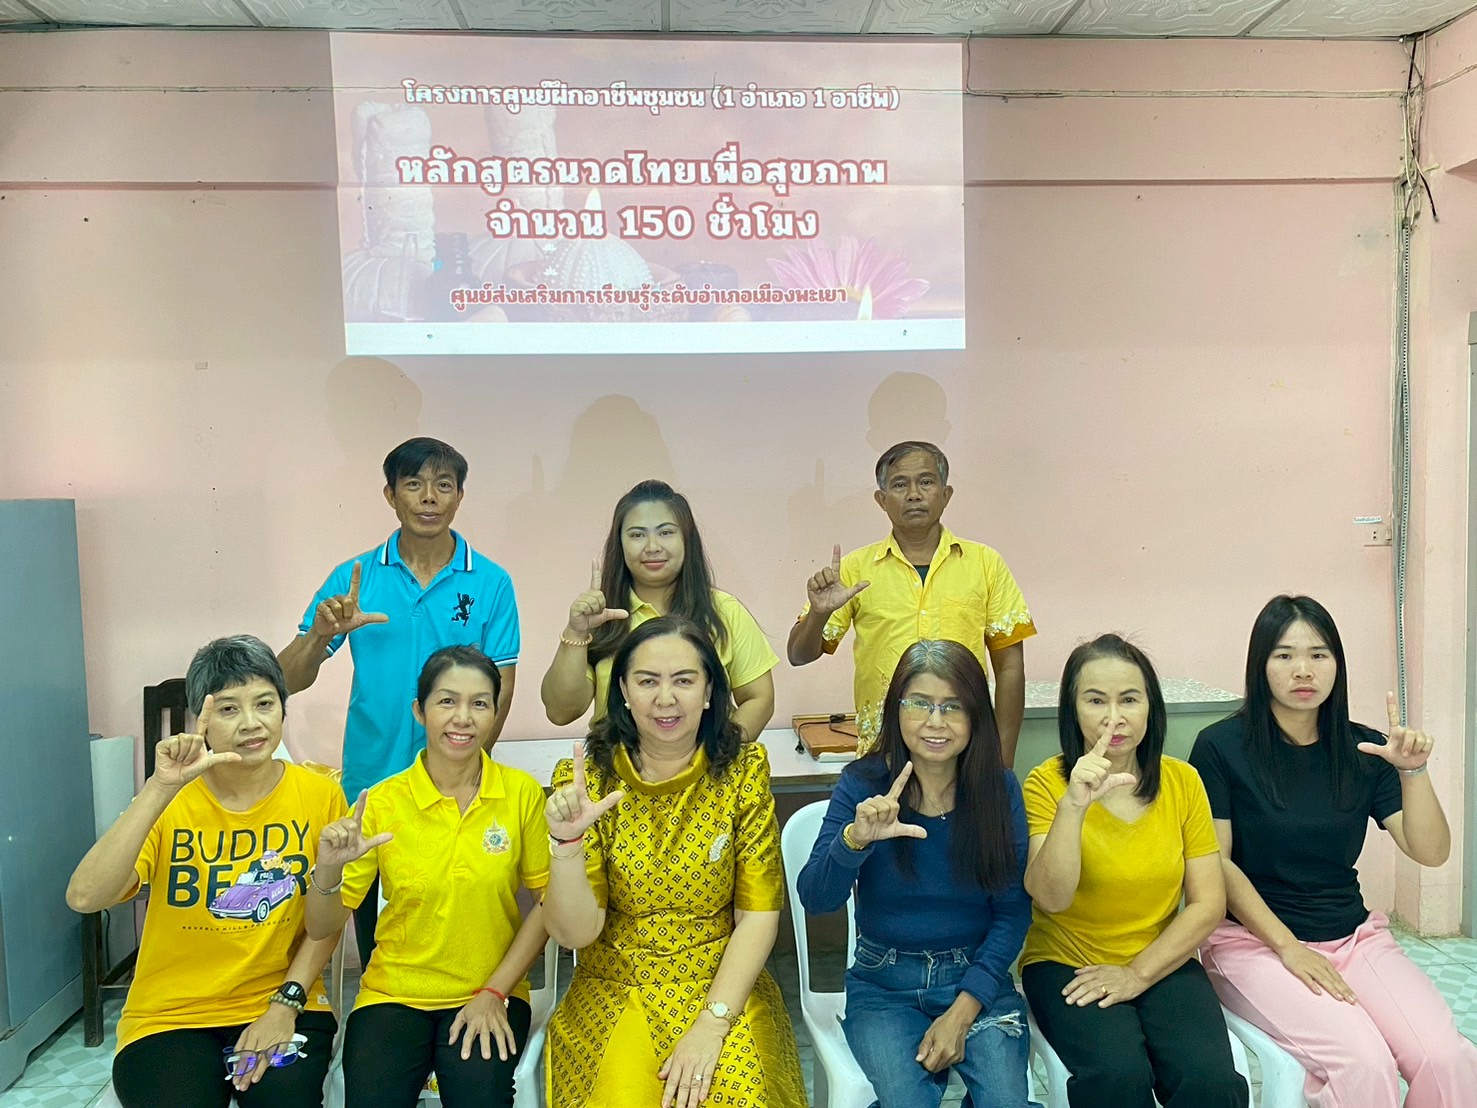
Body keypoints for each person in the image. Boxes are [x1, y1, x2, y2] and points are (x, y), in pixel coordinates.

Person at [1191, 595, 1477, 1107]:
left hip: (1354, 937)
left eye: (1318, 654)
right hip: (1252, 942)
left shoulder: (1364, 750)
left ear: (1337, 665)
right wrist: (1288, 946)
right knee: (1363, 1063)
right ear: (1260, 665)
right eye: (1284, 655)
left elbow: (1431, 852)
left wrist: (1412, 771)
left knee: (1446, 1057)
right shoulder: (1221, 747)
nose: (1303, 669)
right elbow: (1217, 863)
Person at [66, 636, 346, 1108]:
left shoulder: (321, 795)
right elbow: (84, 896)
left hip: (281, 1003)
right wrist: (160, 788)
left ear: (283, 708)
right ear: (202, 719)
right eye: (229, 709)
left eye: (265, 703)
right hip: (170, 1017)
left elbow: (327, 923)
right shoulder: (170, 798)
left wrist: (285, 1004)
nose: (251, 723)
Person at [540, 616, 806, 1108]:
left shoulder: (742, 773)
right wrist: (567, 843)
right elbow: (575, 934)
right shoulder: (588, 782)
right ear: (623, 691)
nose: (666, 699)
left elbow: (757, 916)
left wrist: (713, 1024)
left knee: (743, 1096)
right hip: (615, 985)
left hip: (721, 983)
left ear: (709, 692)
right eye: (647, 681)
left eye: (684, 680)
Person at [278, 436, 520, 966]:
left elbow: (500, 687)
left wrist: (466, 769)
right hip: (372, 783)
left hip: (458, 790)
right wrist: (320, 635)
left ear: (459, 496)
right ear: (390, 495)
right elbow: (285, 682)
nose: (429, 497)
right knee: (375, 940)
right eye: (414, 484)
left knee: (460, 930)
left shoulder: (492, 582)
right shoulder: (355, 577)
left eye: (443, 485)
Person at [304, 645, 550, 1107]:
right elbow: (322, 925)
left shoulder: (520, 794)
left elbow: (547, 903)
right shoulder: (382, 801)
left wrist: (495, 990)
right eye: (447, 701)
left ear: (495, 713)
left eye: (480, 703)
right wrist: (329, 868)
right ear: (420, 711)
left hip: (490, 989)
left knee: (481, 1097)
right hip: (393, 995)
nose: (463, 718)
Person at [797, 640, 1035, 1108]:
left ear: (977, 716)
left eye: (953, 707)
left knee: (1005, 1102)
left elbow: (1012, 912)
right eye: (920, 704)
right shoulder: (863, 783)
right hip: (883, 985)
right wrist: (855, 841)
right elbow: (816, 898)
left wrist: (963, 1011)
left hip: (976, 978)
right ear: (896, 709)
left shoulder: (998, 789)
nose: (935, 722)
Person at [1020, 634, 1246, 1108]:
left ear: (1150, 708)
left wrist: (1137, 974)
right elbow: (1051, 898)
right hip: (1067, 962)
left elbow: (1208, 904)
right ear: (1072, 710)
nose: (1113, 717)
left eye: (1129, 699)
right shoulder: (1046, 783)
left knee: (1211, 1083)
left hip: (1163, 958)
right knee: (1118, 1077)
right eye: (1095, 700)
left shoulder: (1183, 782)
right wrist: (1073, 807)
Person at [787, 441, 1034, 764]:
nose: (914, 494)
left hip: (966, 748)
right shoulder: (854, 569)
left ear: (946, 494)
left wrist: (1003, 758)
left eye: (926, 482)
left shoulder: (985, 563)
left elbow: (1010, 668)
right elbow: (798, 655)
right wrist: (818, 615)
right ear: (882, 500)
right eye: (900, 484)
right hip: (882, 750)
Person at [540, 479, 777, 741]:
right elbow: (561, 712)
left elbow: (759, 698)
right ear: (619, 544)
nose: (652, 547)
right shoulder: (601, 617)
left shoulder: (724, 611)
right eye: (637, 535)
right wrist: (576, 631)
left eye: (665, 532)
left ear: (687, 539)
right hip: (616, 764)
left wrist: (715, 755)